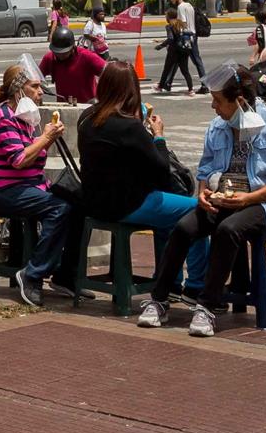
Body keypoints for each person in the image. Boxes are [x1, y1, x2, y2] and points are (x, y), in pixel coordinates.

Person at [137, 65, 266, 337]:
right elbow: (205, 168)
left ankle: (208, 305)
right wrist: (203, 193)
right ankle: (159, 298)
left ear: (240, 101)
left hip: (263, 204)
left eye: (218, 101)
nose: (213, 107)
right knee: (184, 227)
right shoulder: (218, 127)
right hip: (224, 198)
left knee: (228, 230)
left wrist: (248, 198)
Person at [77, 66, 205, 290]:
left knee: (168, 217)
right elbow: (161, 168)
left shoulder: (87, 118)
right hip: (128, 204)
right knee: (199, 210)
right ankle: (196, 283)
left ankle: (169, 279)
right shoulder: (128, 127)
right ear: (130, 92)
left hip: (94, 203)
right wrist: (158, 136)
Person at [0, 65, 71, 307]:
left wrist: (43, 138)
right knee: (59, 208)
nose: (40, 91)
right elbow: (19, 160)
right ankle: (31, 275)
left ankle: (65, 275)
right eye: (34, 86)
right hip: (5, 189)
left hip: (32, 185)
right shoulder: (5, 118)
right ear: (17, 91)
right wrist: (45, 138)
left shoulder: (26, 119)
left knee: (77, 202)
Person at [39, 25, 103, 103]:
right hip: (63, 107)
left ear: (72, 47)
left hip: (87, 107)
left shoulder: (87, 57)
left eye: (64, 53)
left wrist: (100, 98)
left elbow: (110, 74)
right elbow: (36, 77)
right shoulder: (49, 58)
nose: (60, 56)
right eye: (57, 53)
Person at [154, 8, 195, 95]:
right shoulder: (182, 24)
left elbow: (170, 38)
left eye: (166, 15)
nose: (165, 17)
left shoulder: (169, 26)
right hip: (184, 50)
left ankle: (160, 87)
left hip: (174, 51)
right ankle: (191, 89)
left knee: (167, 69)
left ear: (169, 17)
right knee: (185, 70)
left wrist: (161, 46)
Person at [169, 0, 207, 78]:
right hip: (193, 35)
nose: (171, 0)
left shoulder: (180, 7)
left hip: (187, 37)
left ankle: (205, 85)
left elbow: (183, 23)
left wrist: (174, 27)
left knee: (196, 61)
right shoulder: (189, 5)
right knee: (178, 60)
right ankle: (167, 83)